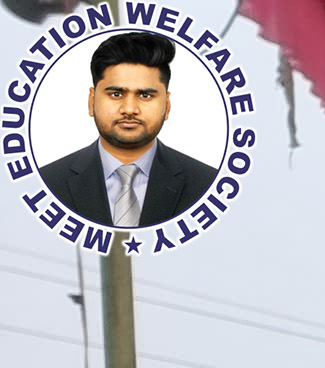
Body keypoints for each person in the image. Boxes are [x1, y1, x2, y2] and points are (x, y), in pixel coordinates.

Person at [39, 33, 220, 234]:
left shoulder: (209, 187)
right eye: (116, 94)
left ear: (167, 106)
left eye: (145, 95)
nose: (130, 109)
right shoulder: (46, 184)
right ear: (92, 101)